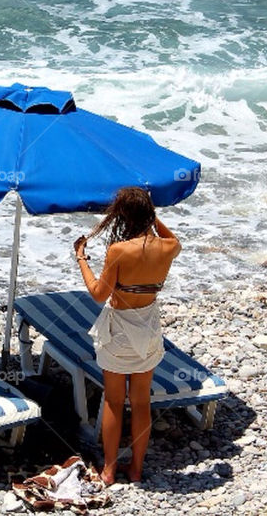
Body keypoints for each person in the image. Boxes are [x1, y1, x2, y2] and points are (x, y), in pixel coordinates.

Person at [73, 187, 181, 485]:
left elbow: (98, 294)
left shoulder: (119, 251)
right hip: (148, 328)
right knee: (142, 402)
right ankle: (135, 468)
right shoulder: (170, 247)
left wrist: (81, 258)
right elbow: (168, 236)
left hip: (120, 329)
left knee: (114, 401)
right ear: (148, 214)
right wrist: (152, 214)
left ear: (123, 216)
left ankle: (108, 470)